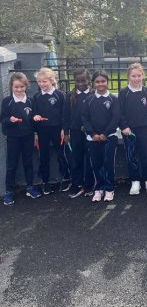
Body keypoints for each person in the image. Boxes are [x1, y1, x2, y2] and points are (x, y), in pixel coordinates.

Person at [1, 73, 42, 205]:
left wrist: (36, 119)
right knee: (12, 164)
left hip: (28, 136)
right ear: (11, 87)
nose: (19, 89)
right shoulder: (7, 101)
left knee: (28, 162)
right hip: (13, 138)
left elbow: (34, 117)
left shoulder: (31, 100)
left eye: (22, 87)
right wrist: (10, 120)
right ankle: (9, 191)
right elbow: (3, 120)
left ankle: (30, 187)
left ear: (26, 86)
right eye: (16, 87)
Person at [82, 70, 120, 202]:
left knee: (108, 163)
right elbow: (84, 118)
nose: (100, 84)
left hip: (109, 137)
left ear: (107, 82)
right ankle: (98, 188)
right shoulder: (89, 100)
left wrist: (105, 133)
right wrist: (92, 134)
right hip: (93, 138)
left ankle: (109, 188)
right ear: (93, 83)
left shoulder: (113, 99)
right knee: (96, 164)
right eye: (97, 82)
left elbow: (115, 118)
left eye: (103, 81)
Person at [118, 63, 147, 195]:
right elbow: (120, 112)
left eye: (139, 76)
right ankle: (135, 181)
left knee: (146, 155)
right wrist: (124, 126)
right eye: (133, 76)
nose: (136, 78)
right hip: (129, 130)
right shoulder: (124, 93)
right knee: (131, 155)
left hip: (144, 129)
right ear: (128, 76)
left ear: (143, 76)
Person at [33, 67, 68, 195]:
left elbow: (65, 114)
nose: (42, 84)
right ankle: (45, 181)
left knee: (61, 154)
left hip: (57, 130)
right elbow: (34, 113)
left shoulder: (60, 95)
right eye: (39, 82)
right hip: (42, 130)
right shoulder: (36, 97)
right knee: (43, 156)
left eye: (44, 81)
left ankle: (66, 178)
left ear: (52, 80)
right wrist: (35, 120)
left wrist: (64, 129)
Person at [63, 68, 94, 198]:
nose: (81, 83)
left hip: (91, 133)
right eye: (78, 81)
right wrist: (66, 132)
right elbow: (65, 116)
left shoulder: (93, 94)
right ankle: (77, 184)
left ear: (89, 80)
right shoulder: (70, 96)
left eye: (83, 80)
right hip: (75, 132)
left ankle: (89, 185)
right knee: (76, 159)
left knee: (90, 159)